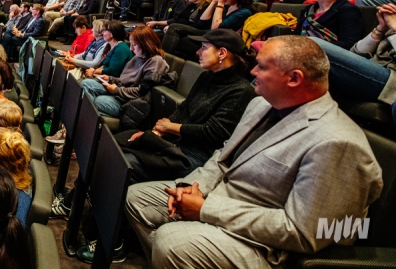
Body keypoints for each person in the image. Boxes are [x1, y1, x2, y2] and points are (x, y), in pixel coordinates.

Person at [125, 36, 383, 268]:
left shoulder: (337, 141)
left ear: (294, 78)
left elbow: (307, 233)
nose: (252, 71)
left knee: (170, 241)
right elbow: (224, 156)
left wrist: (206, 209)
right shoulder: (260, 105)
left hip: (264, 246)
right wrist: (191, 187)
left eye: (262, 66)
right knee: (136, 198)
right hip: (220, 199)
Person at [68, 30, 257, 259]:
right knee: (110, 145)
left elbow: (214, 133)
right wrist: (155, 132)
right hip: (174, 142)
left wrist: (170, 129)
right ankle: (78, 202)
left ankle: (113, 241)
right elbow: (184, 109)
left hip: (195, 158)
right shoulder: (207, 76)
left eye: (204, 47)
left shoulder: (240, 90)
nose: (197, 52)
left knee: (123, 164)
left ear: (222, 53)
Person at [80, 26, 169, 117]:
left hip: (130, 103)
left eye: (134, 45)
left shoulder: (156, 62)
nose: (131, 49)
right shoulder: (139, 57)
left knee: (97, 101)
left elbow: (141, 92)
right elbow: (125, 80)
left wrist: (117, 90)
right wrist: (110, 79)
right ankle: (85, 117)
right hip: (122, 93)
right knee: (86, 83)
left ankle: (84, 118)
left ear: (146, 44)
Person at [294, 0, 363, 50]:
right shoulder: (308, 9)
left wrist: (310, 45)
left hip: (331, 58)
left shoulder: (348, 10)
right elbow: (297, 35)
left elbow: (348, 44)